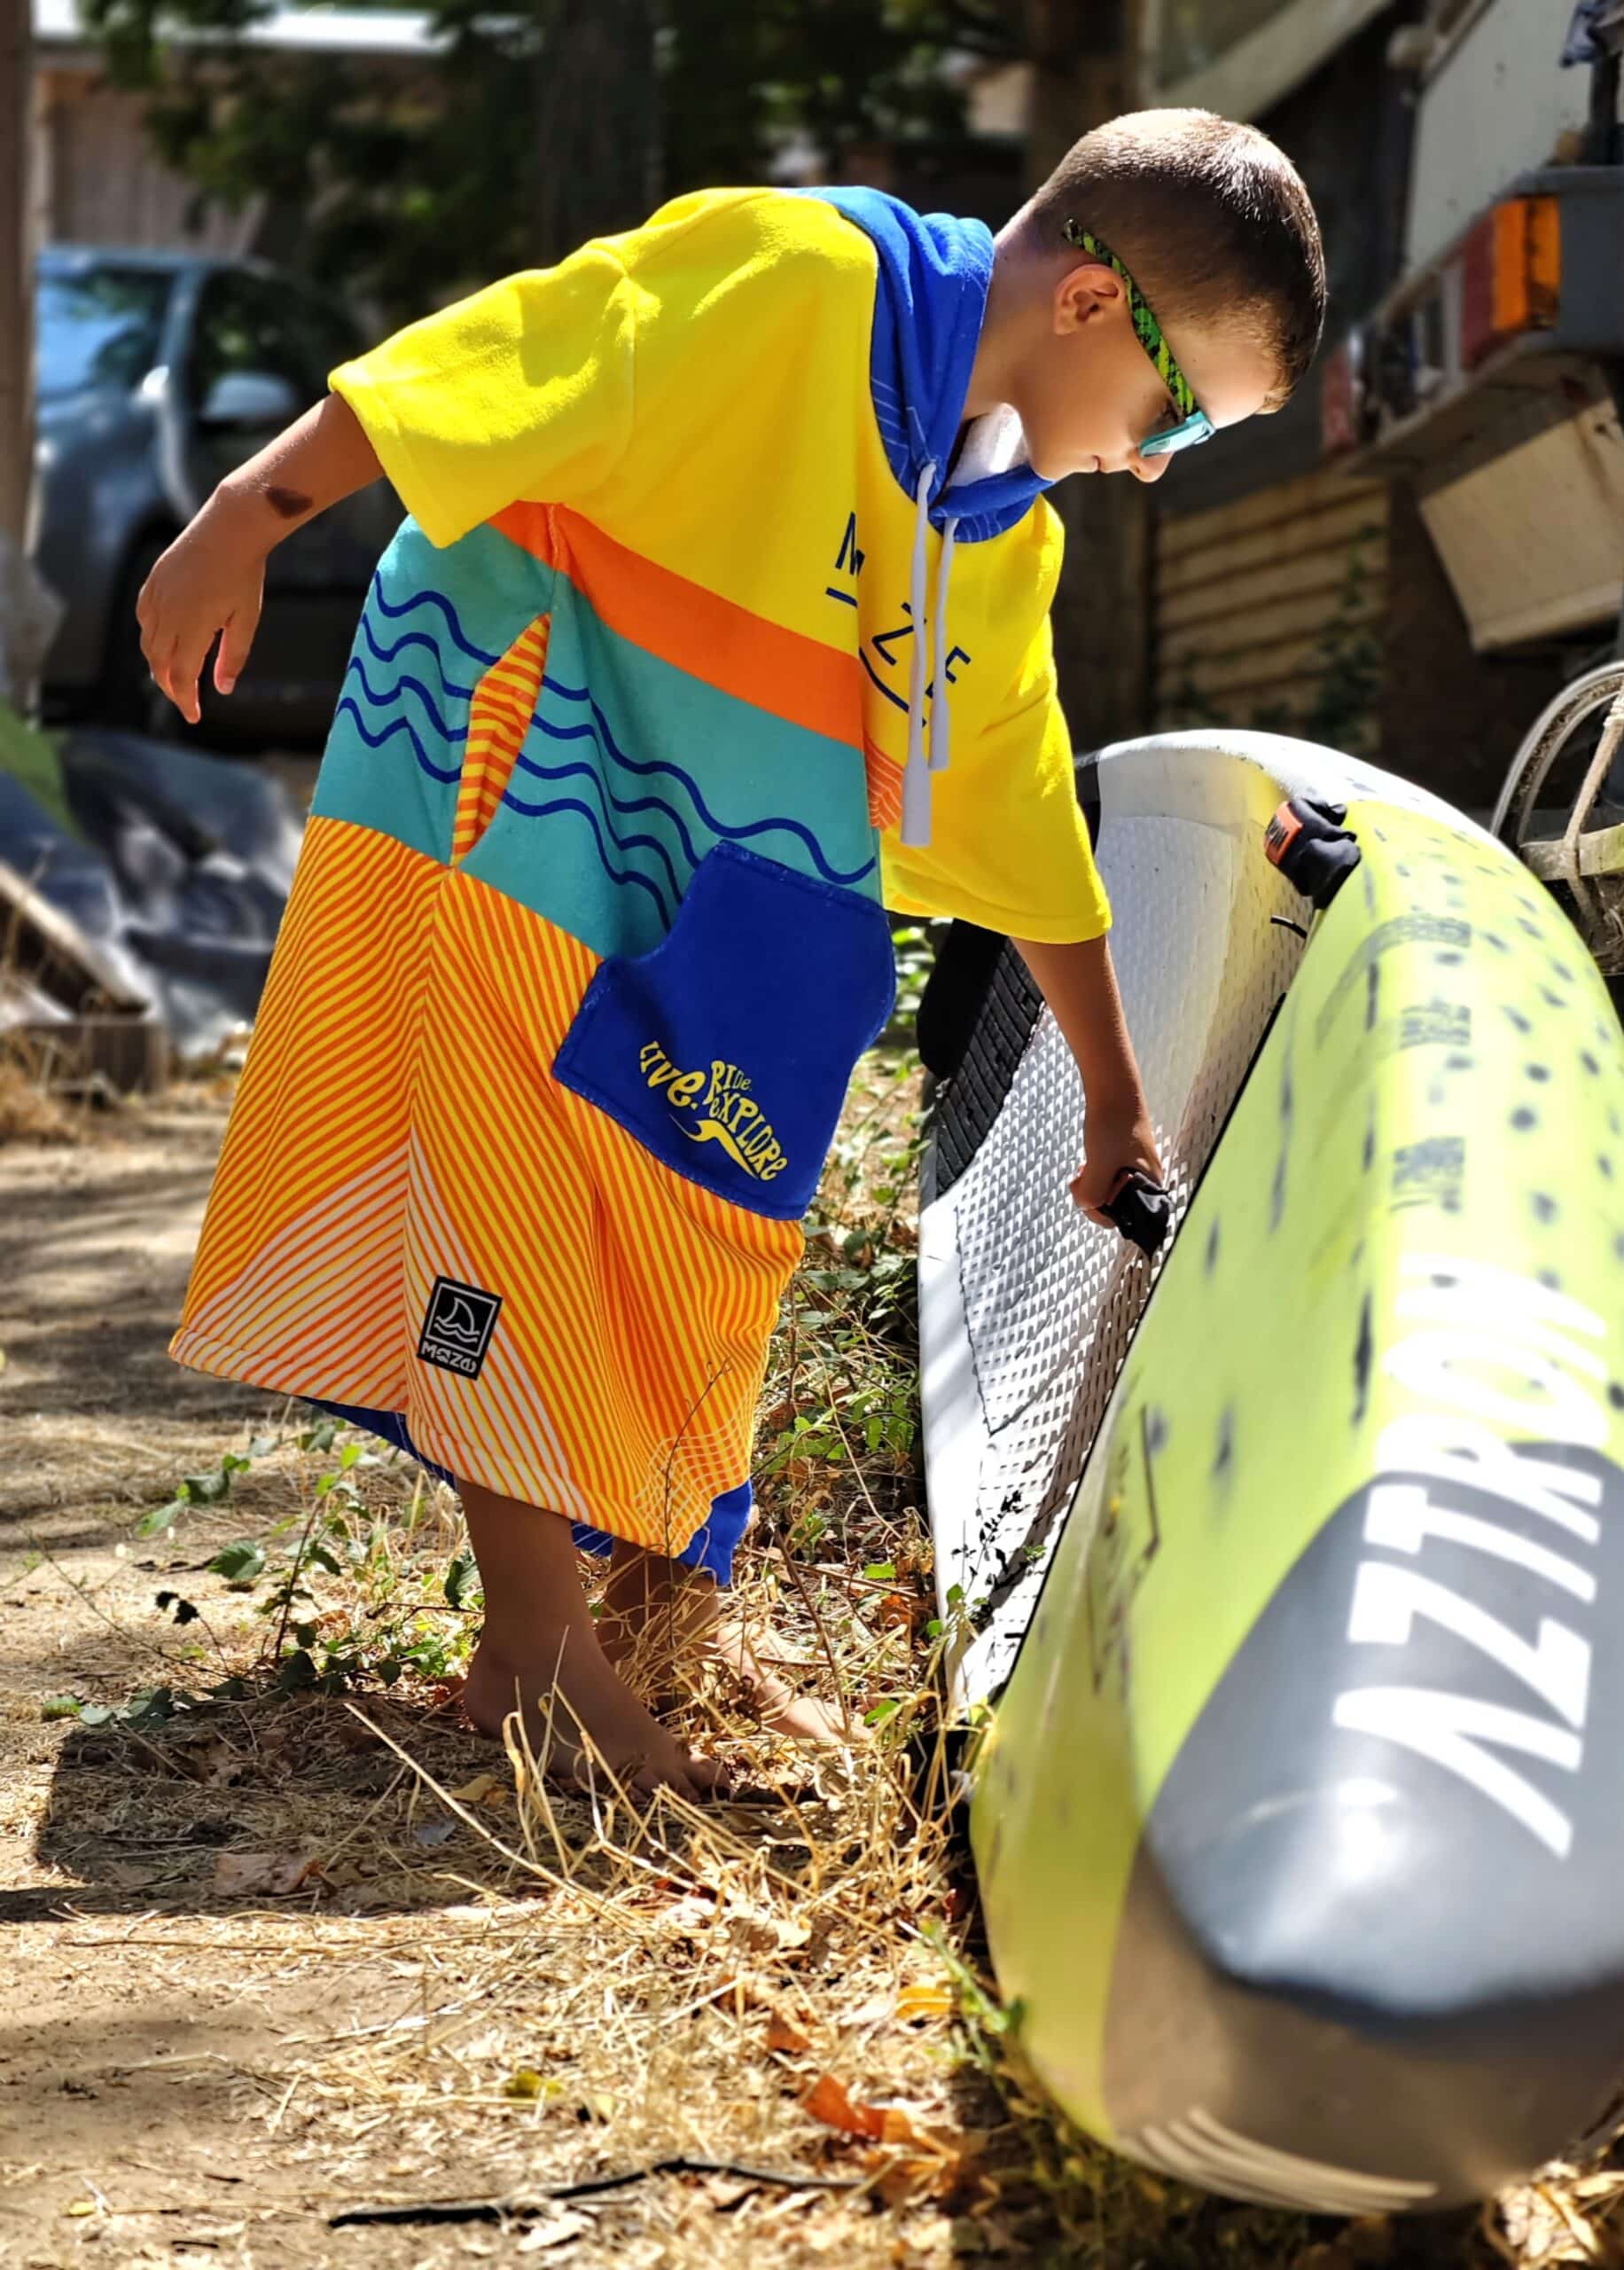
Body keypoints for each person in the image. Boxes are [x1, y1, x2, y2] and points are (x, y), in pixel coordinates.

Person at [141, 108, 1325, 1799]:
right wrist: (244, 517)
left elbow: (1015, 802)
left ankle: (654, 1607)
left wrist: (1113, 1097)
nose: (1152, 462)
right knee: (522, 1164)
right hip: (526, 749)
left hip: (735, 840)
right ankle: (537, 1653)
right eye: (1179, 414)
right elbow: (504, 359)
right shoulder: (788, 277)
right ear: (1088, 303)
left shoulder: (999, 523)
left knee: (716, 1193)